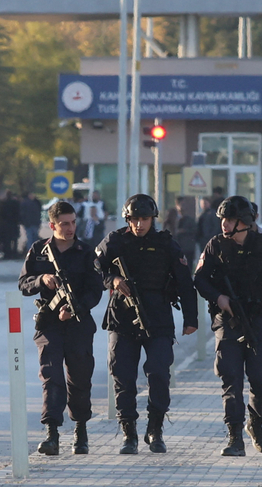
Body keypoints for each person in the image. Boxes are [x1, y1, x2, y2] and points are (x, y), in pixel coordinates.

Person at [194, 196, 262, 457]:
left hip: (260, 319)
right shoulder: (215, 246)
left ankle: (256, 422)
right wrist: (219, 298)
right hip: (227, 320)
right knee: (230, 377)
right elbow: (200, 279)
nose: (224, 224)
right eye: (223, 219)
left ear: (244, 222)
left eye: (230, 220)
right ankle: (234, 437)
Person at [95, 194, 198, 454]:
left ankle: (155, 430)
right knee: (123, 376)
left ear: (153, 219)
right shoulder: (116, 241)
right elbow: (95, 267)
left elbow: (185, 282)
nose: (139, 225)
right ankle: (129, 433)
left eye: (144, 219)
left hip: (158, 319)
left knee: (159, 373)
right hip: (122, 318)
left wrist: (191, 319)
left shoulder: (166, 244)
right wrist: (113, 280)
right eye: (134, 219)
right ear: (127, 219)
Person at [19, 201, 104, 456]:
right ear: (52, 225)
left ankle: (80, 431)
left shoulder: (86, 252)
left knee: (79, 378)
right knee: (51, 377)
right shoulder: (38, 250)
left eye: (73, 222)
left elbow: (95, 290)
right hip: (49, 324)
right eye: (64, 224)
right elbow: (23, 284)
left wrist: (76, 308)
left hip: (77, 324)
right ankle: (52, 434)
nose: (70, 228)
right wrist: (41, 280)